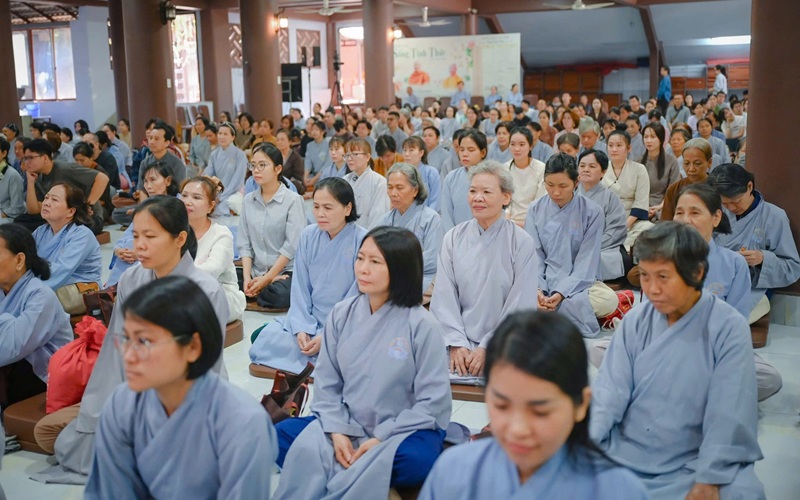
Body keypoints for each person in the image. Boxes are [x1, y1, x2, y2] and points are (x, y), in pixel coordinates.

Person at [32, 195, 230, 479]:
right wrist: (102, 409)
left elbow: (205, 369)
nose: (140, 245)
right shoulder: (131, 279)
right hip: (132, 389)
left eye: (150, 236)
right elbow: (116, 350)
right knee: (52, 434)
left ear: (180, 238)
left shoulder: (206, 290)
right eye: (136, 236)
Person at [273, 226, 452, 499]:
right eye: (360, 258)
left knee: (416, 462)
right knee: (278, 436)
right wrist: (337, 431)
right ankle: (374, 479)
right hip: (349, 420)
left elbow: (433, 401)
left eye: (375, 262)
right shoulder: (341, 314)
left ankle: (351, 470)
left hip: (403, 428)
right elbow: (327, 383)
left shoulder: (423, 325)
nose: (363, 269)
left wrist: (380, 438)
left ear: (400, 269)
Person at [591, 222, 765, 500]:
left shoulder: (728, 326)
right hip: (628, 448)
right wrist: (586, 441)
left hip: (694, 457)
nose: (652, 289)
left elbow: (730, 410)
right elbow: (610, 391)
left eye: (663, 277)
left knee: (741, 493)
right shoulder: (636, 320)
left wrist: (710, 477)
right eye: (645, 276)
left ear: (697, 273)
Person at [420, 311, 649, 499]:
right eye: (501, 406)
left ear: (581, 405)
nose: (518, 429)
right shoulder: (453, 471)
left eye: (540, 412)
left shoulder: (619, 491)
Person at [84, 276, 275, 498]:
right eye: (126, 339)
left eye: (144, 342)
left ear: (192, 346)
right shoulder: (121, 403)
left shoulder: (243, 422)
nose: (128, 356)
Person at [673, 183, 782, 401]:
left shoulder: (733, 263)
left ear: (716, 218)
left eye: (695, 213)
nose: (685, 220)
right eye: (679, 212)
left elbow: (736, 324)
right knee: (604, 350)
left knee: (768, 378)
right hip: (669, 346)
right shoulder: (662, 258)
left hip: (716, 349)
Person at [432, 161, 538, 383]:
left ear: (506, 197)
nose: (477, 198)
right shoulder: (453, 238)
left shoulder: (521, 242)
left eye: (486, 192)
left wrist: (489, 345)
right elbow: (444, 297)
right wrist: (456, 343)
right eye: (472, 191)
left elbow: (520, 304)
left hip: (504, 339)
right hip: (457, 338)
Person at [249, 178, 365, 374]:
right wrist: (301, 328)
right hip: (309, 318)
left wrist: (327, 335)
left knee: (350, 351)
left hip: (344, 324)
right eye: (316, 206)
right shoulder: (308, 235)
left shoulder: (363, 240)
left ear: (347, 208)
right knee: (258, 337)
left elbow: (358, 296)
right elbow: (300, 287)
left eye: (328, 207)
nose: (320, 213)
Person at [525, 153, 620, 338]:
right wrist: (537, 289)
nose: (556, 192)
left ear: (576, 182)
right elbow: (534, 256)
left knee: (608, 300)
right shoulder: (534, 209)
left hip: (577, 283)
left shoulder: (592, 212)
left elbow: (586, 262)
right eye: (550, 185)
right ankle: (553, 312)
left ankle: (544, 314)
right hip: (541, 280)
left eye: (563, 186)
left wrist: (561, 293)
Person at [708, 164, 800, 324]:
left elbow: (792, 267)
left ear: (749, 186)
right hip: (716, 280)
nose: (731, 208)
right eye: (725, 204)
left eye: (736, 201)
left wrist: (762, 258)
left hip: (753, 288)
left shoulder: (774, 216)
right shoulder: (716, 212)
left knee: (726, 321)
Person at [0, 224, 72, 409]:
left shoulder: (40, 295)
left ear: (19, 260)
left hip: (44, 377)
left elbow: (12, 347)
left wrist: (5, 322)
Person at [239, 143, 305, 310]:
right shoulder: (248, 200)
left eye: (262, 165)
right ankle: (254, 287)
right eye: (253, 165)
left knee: (279, 295)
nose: (256, 170)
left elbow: (291, 247)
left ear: (278, 169)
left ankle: (259, 289)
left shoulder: (293, 200)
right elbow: (244, 243)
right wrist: (247, 278)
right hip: (256, 270)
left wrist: (268, 278)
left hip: (284, 272)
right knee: (220, 280)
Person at [181, 177, 245, 323]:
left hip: (219, 294)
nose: (187, 202)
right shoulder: (174, 231)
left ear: (210, 206)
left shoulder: (221, 234)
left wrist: (173, 274)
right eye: (184, 195)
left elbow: (211, 270)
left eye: (196, 197)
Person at [106, 162, 179, 288]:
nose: (148, 186)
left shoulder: (176, 207)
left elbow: (170, 243)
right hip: (131, 255)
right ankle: (113, 290)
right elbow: (128, 233)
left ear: (168, 181)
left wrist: (141, 254)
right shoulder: (146, 205)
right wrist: (119, 250)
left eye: (153, 180)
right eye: (145, 181)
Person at [32, 183, 102, 314]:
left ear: (71, 211)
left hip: (78, 289)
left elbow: (61, 270)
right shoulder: (40, 231)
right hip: (48, 284)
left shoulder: (82, 234)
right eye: (46, 198)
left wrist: (25, 287)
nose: (46, 203)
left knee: (29, 299)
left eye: (54, 199)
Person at [19, 139, 108, 234]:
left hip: (86, 216)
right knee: (21, 222)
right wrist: (30, 182)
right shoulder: (38, 176)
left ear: (44, 158)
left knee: (71, 227)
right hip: (60, 216)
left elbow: (102, 178)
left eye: (30, 158)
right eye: (25, 158)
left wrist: (88, 205)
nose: (27, 162)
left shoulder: (65, 168)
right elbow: (33, 211)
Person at [381, 163, 442, 293]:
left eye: (399, 188)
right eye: (390, 187)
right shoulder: (385, 220)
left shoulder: (431, 218)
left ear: (415, 190)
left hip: (421, 278)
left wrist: (397, 267)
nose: (393, 193)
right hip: (389, 278)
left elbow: (432, 259)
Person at [111, 121, 186, 226]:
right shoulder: (145, 162)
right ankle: (149, 218)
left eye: (156, 139)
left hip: (168, 204)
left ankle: (147, 218)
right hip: (149, 202)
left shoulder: (176, 163)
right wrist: (144, 208)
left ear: (167, 142)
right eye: (150, 138)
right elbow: (142, 190)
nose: (152, 142)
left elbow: (179, 191)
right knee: (116, 214)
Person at [577, 150, 628, 281]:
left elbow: (615, 231)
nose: (586, 169)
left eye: (592, 166)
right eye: (582, 166)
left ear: (603, 172)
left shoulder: (611, 198)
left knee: (597, 259)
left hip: (603, 247)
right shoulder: (570, 196)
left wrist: (588, 247)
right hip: (574, 247)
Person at [602, 131, 652, 249]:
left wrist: (623, 227)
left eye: (619, 145)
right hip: (606, 221)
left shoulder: (639, 169)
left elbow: (641, 202)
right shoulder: (600, 169)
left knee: (649, 229)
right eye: (610, 145)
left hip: (633, 222)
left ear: (628, 148)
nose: (614, 149)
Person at [441, 130, 488, 232]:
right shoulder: (451, 177)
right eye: (461, 149)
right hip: (455, 235)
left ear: (483, 152)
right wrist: (452, 236)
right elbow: (446, 213)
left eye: (471, 150)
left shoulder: (493, 178)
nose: (465, 154)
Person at [660, 138, 713, 221]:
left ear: (709, 162)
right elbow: (666, 224)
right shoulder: (674, 190)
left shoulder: (718, 188)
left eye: (697, 163)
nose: (691, 169)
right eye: (686, 163)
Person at [343, 138, 390, 229]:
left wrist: (368, 236)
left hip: (369, 233)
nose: (349, 158)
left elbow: (378, 215)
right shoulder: (345, 180)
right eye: (347, 155)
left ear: (367, 157)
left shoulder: (379, 181)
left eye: (355, 154)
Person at [203, 122, 246, 216]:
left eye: (225, 134)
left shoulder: (240, 155)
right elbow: (207, 175)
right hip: (217, 192)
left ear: (233, 137)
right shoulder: (214, 154)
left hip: (234, 192)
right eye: (220, 133)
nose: (222, 137)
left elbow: (237, 180)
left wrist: (221, 197)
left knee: (230, 205)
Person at [505, 127, 546, 226]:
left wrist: (527, 224)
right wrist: (507, 222)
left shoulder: (541, 168)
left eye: (522, 144)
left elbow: (541, 202)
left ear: (530, 146)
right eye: (512, 144)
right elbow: (504, 201)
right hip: (509, 222)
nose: (516, 149)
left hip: (535, 222)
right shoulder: (504, 168)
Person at [640, 122, 681, 219]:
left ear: (661, 139)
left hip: (663, 206)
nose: (648, 140)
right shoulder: (637, 161)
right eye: (646, 137)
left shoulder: (671, 161)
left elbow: (673, 191)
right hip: (640, 207)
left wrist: (660, 207)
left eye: (653, 137)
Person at [400, 136, 441, 212]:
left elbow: (435, 201)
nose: (407, 154)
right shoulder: (400, 174)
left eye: (411, 150)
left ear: (421, 153)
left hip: (428, 216)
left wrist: (427, 217)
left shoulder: (431, 172)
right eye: (405, 150)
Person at [0, 138, 25, 222]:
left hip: (7, 216)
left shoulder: (13, 175)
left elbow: (17, 207)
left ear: (4, 153)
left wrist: (2, 214)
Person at [304, 121, 330, 189]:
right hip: (313, 174)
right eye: (312, 129)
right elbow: (308, 162)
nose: (314, 132)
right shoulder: (309, 145)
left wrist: (314, 179)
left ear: (323, 131)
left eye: (316, 129)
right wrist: (305, 176)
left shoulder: (328, 144)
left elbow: (327, 165)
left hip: (325, 175)